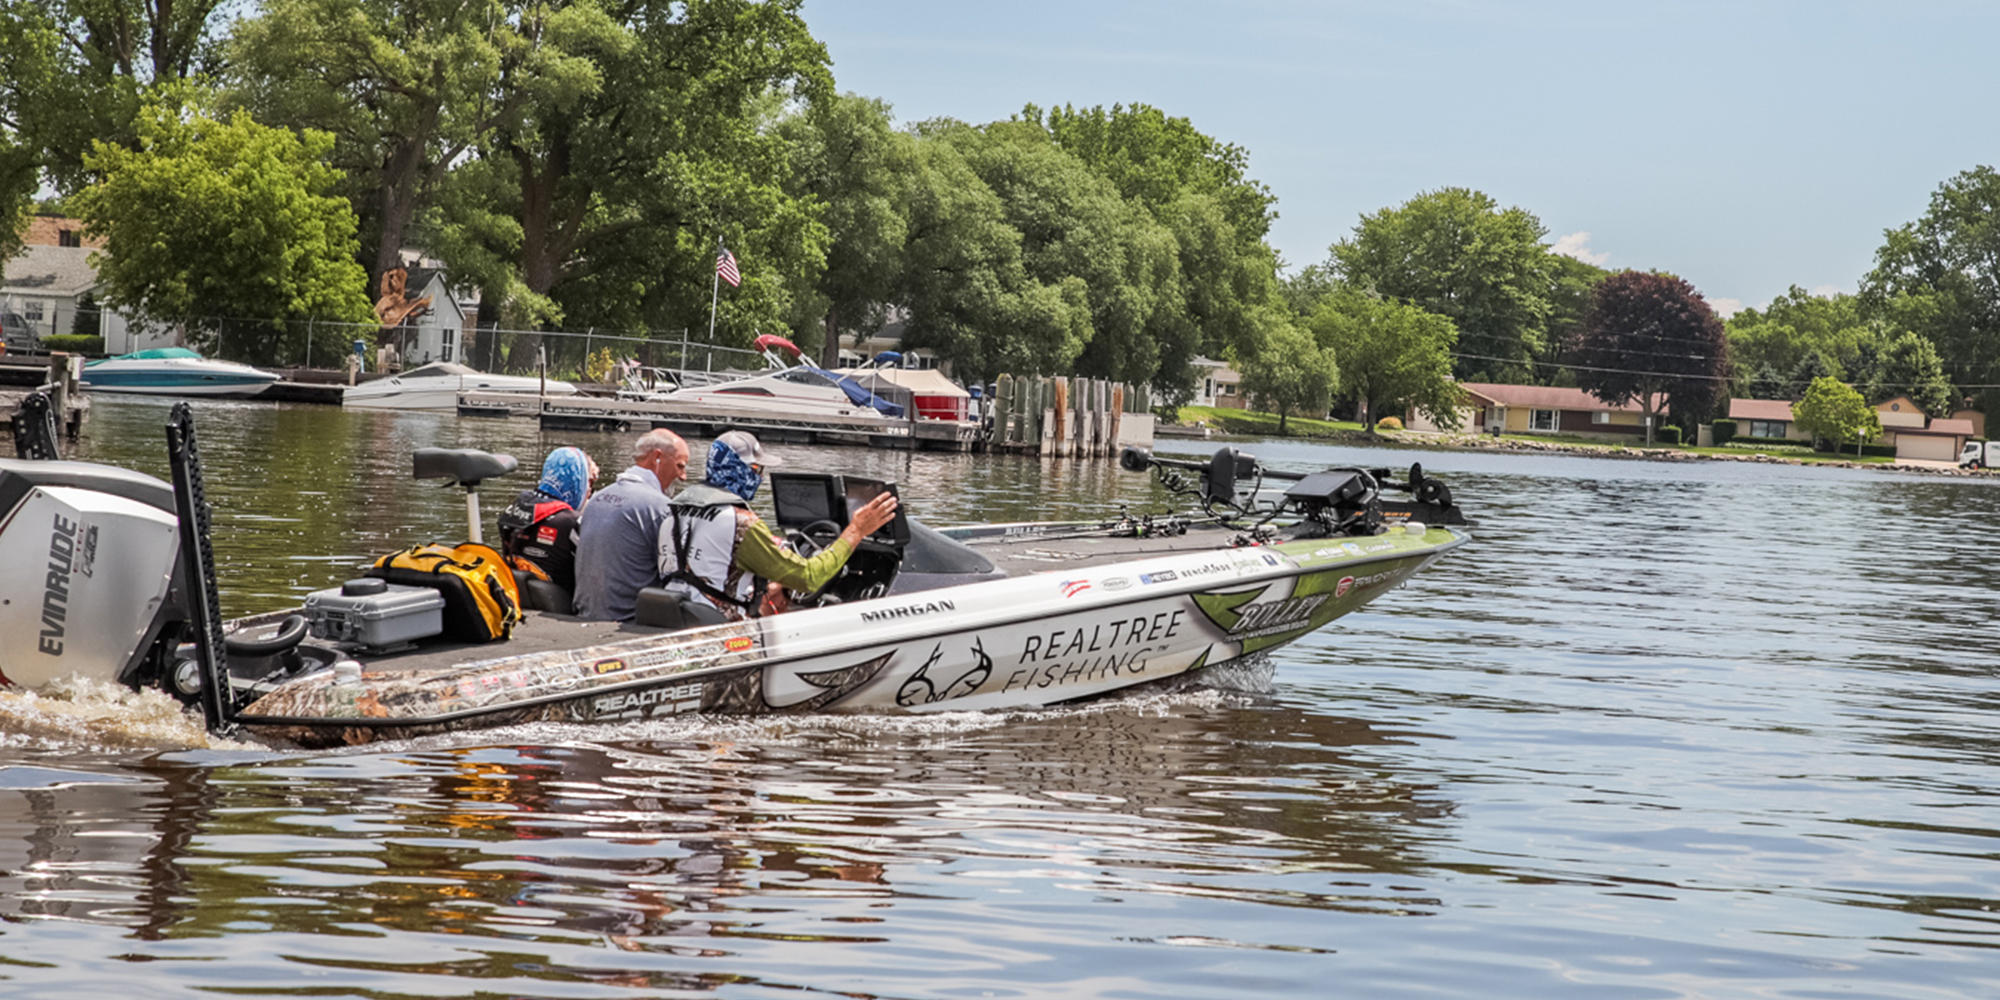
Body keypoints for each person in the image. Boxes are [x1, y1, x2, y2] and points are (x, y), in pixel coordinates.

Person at [656, 430, 898, 621]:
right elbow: (809, 577)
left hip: (677, 616)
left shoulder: (676, 511)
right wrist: (856, 530)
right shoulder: (742, 523)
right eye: (757, 470)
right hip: (724, 633)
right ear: (743, 471)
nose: (760, 478)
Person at [573, 428, 689, 621]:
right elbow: (675, 576)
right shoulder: (659, 507)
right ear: (657, 457)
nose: (683, 476)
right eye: (680, 466)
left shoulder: (597, 498)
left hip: (586, 615)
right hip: (630, 622)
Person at [497, 446, 598, 596]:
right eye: (589, 483)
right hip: (562, 605)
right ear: (577, 480)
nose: (590, 492)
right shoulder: (573, 523)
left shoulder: (516, 508)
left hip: (518, 595)